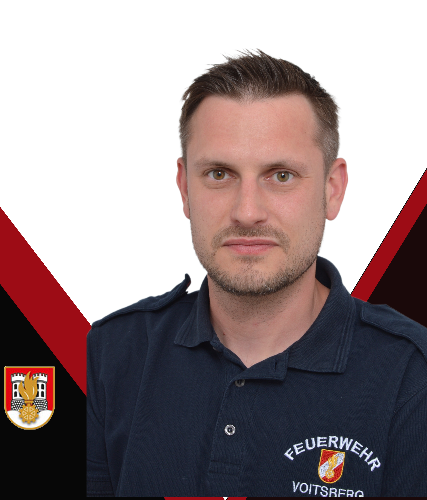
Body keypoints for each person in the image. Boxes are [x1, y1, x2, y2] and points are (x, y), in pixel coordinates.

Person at [86, 50, 427, 497]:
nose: (247, 212)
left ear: (332, 190)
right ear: (184, 188)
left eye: (281, 175)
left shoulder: (413, 376)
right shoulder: (110, 354)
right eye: (219, 173)